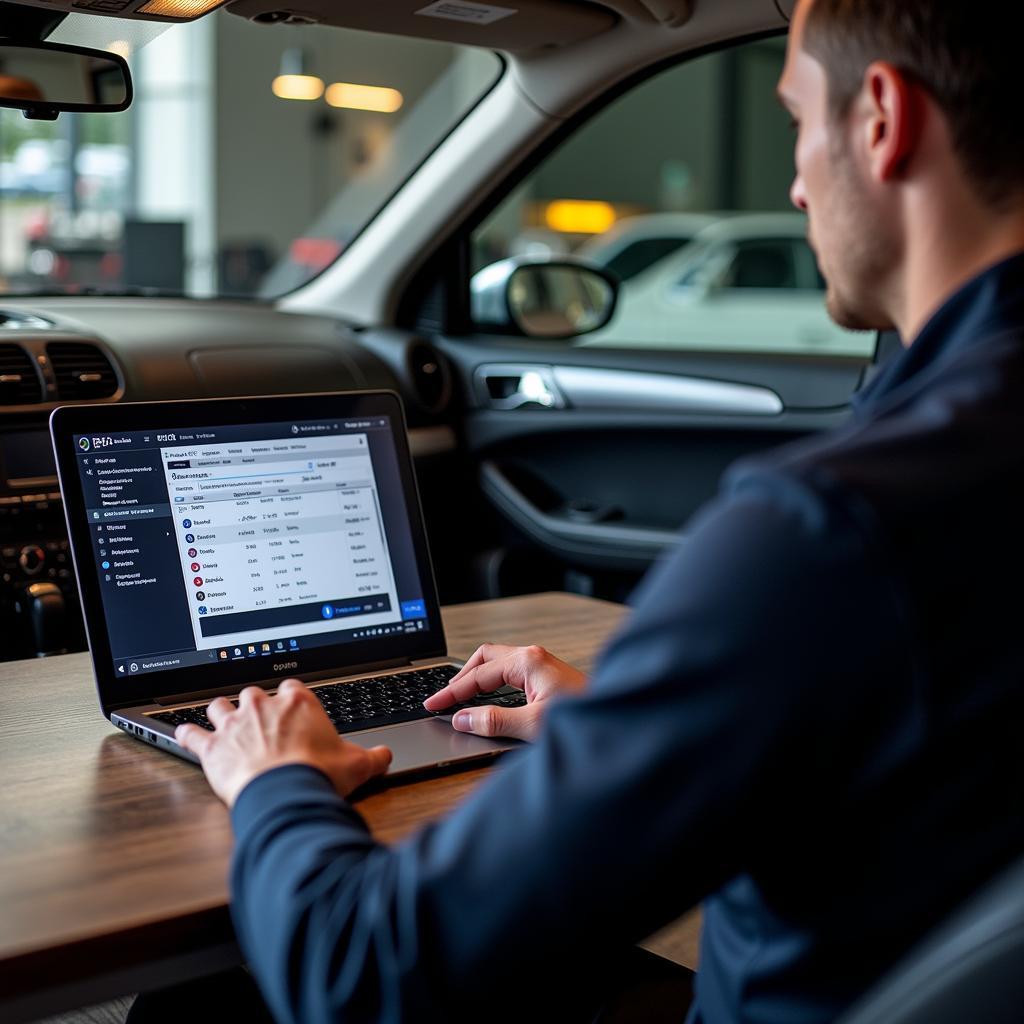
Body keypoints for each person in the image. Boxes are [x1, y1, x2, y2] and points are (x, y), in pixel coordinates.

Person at [170, 1, 1024, 1021]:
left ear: (881, 119)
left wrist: (274, 779)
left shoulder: (827, 533)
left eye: (796, 121)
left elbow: (360, 970)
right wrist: (630, 733)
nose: (795, 183)